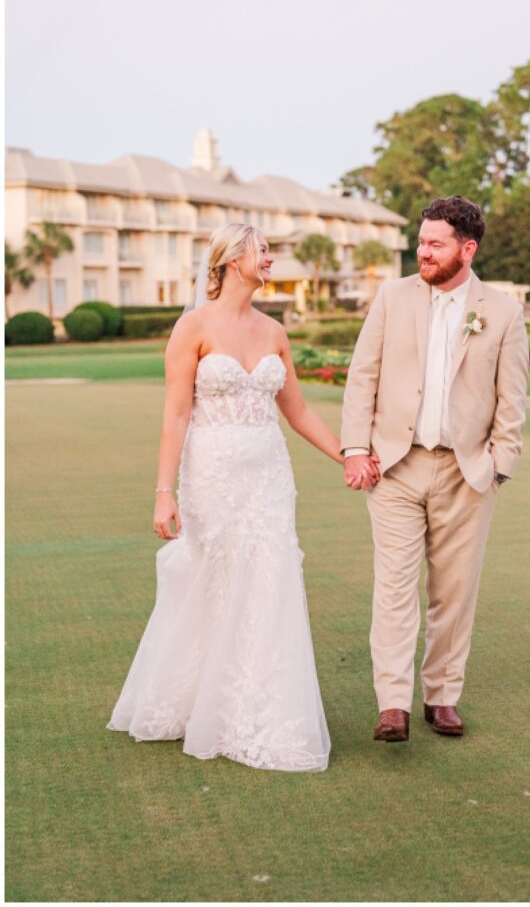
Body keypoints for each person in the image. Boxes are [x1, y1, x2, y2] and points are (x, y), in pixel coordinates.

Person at [107, 221, 379, 771]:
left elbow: (297, 411)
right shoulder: (192, 328)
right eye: (264, 250)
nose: (272, 258)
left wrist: (349, 454)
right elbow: (176, 414)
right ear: (232, 259)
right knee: (216, 581)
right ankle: (196, 701)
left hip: (269, 478)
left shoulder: (274, 331)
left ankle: (260, 712)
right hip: (212, 476)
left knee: (269, 581)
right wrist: (164, 493)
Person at [340, 195, 529, 743]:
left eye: (435, 244)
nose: (422, 252)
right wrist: (356, 448)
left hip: (465, 473)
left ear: (466, 249)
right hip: (395, 468)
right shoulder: (392, 297)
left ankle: (442, 697)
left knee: (454, 591)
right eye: (421, 242)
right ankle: (392, 704)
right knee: (394, 588)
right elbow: (362, 377)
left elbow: (511, 399)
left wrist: (499, 467)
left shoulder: (502, 312)